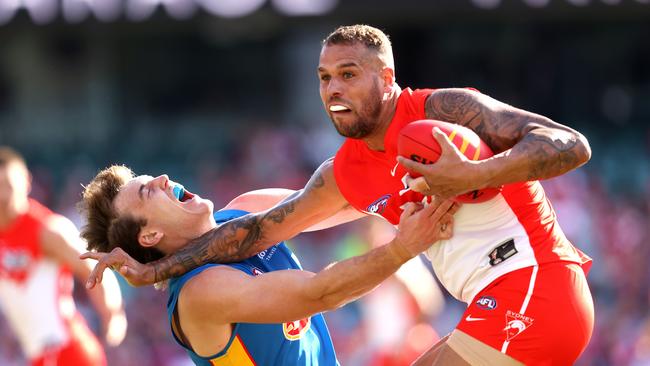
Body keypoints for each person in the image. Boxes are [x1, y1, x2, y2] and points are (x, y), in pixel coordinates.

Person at [85, 24, 594, 365]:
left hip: (535, 286)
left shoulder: (445, 109)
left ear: (387, 78)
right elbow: (266, 247)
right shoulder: (345, 172)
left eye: (348, 75)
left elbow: (571, 145)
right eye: (325, 78)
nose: (333, 89)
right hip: (503, 301)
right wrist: (154, 271)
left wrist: (473, 175)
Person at [78, 165, 456, 365]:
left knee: (482, 344)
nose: (163, 178)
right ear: (149, 237)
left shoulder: (247, 209)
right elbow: (321, 292)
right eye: (148, 192)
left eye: (153, 177)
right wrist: (403, 247)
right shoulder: (199, 293)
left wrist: (417, 175)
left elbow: (342, 199)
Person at [0, 147, 126, 366]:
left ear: (26, 182)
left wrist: (113, 317)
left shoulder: (46, 230)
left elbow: (96, 267)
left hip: (66, 351)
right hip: (37, 355)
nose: (3, 196)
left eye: (8, 186)